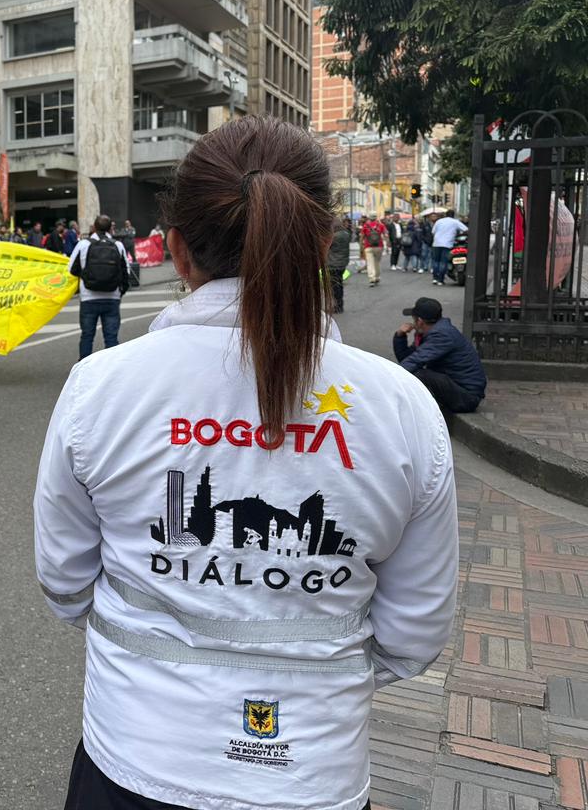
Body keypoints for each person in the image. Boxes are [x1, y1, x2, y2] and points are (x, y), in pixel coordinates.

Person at [35, 116, 458, 810]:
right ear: (321, 242)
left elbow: (65, 582)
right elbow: (414, 634)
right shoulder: (401, 405)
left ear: (176, 250)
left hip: (136, 754)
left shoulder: (100, 387)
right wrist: (308, 672)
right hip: (313, 771)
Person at [394, 297, 487, 413]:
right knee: (416, 372)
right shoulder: (432, 333)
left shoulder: (442, 335)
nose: (413, 324)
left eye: (414, 319)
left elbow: (415, 361)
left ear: (420, 321)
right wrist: (400, 336)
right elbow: (407, 359)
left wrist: (390, 378)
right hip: (458, 389)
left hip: (467, 396)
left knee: (420, 375)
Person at [68, 216, 130, 360]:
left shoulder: (83, 244)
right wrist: (120, 292)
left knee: (87, 336)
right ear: (110, 228)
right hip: (112, 297)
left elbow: (71, 269)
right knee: (111, 338)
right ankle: (112, 368)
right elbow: (126, 272)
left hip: (88, 298)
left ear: (94, 228)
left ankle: (84, 367)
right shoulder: (118, 245)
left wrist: (85, 277)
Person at [430, 210, 467, 286]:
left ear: (446, 215)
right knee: (443, 262)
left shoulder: (439, 221)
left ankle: (435, 278)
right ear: (453, 215)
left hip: (436, 243)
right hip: (447, 244)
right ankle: (440, 280)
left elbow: (433, 232)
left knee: (436, 261)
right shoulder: (455, 222)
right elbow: (466, 229)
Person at [327, 214, 351, 314]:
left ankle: (337, 306)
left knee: (334, 286)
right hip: (342, 263)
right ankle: (340, 305)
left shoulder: (334, 236)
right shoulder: (346, 234)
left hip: (333, 264)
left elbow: (328, 247)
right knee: (339, 284)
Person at [360, 212, 387, 286]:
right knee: (377, 262)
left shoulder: (365, 226)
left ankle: (372, 278)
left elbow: (362, 236)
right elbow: (386, 234)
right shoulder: (381, 225)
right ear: (376, 217)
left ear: (369, 217)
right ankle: (377, 277)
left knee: (370, 263)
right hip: (379, 246)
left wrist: (361, 246)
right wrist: (387, 244)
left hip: (368, 246)